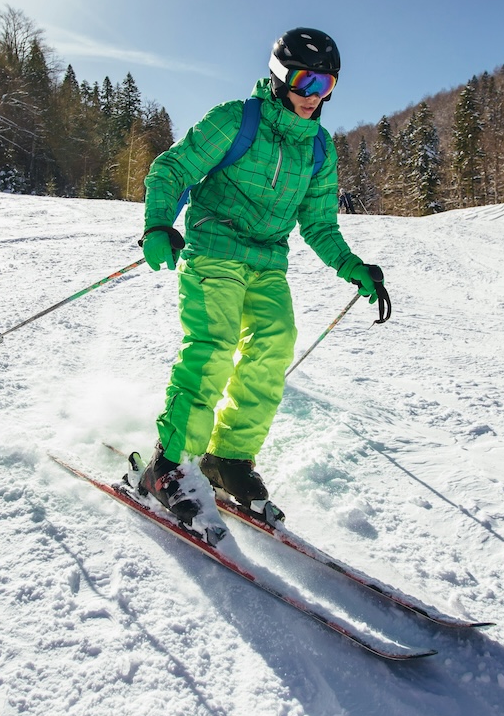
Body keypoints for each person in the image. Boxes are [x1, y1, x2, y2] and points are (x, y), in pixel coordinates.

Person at [136, 27, 387, 529]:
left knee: (274, 345)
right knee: (214, 343)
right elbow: (172, 169)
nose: (314, 95)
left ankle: (228, 459)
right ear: (278, 77)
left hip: (267, 261)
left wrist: (351, 266)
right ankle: (168, 465)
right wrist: (159, 223)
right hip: (214, 249)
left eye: (326, 84)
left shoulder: (318, 149)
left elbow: (318, 224)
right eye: (304, 80)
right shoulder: (235, 120)